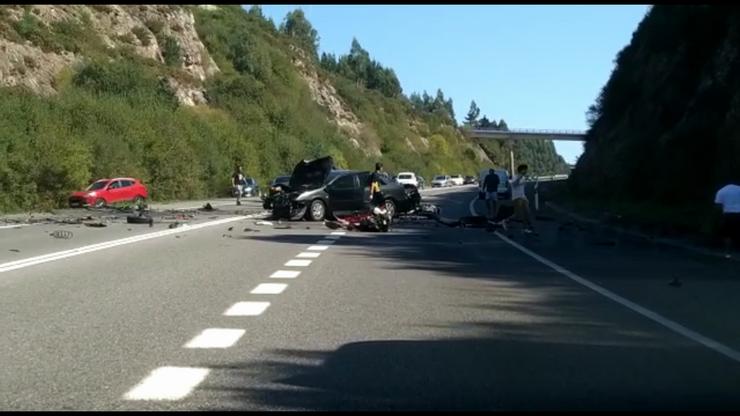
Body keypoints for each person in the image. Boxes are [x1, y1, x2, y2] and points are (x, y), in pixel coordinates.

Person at [715, 183, 740, 257]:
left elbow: (718, 205)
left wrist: (720, 216)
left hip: (728, 214)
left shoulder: (721, 191)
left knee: (728, 233)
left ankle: (728, 252)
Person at [510, 164, 535, 234]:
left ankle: (526, 227)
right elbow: (514, 184)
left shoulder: (523, 177)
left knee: (527, 212)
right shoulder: (515, 177)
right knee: (518, 215)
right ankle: (506, 220)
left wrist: (526, 179)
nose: (526, 171)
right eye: (525, 169)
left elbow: (523, 186)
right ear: (521, 170)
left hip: (523, 197)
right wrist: (520, 177)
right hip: (516, 197)